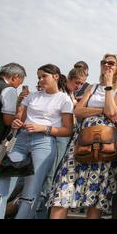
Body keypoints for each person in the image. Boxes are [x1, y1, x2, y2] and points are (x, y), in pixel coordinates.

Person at [48, 54, 117, 219]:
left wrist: (108, 86)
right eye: (103, 62)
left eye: (111, 63)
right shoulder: (92, 87)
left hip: (104, 140)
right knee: (64, 183)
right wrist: (101, 111)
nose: (106, 65)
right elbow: (78, 111)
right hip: (82, 137)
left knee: (97, 190)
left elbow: (112, 111)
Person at [0, 64, 73, 219]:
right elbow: (19, 118)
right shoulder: (32, 96)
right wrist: (16, 122)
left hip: (44, 142)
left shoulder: (64, 99)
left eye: (44, 76)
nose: (41, 80)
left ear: (55, 76)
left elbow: (68, 130)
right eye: (39, 77)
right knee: (2, 180)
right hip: (21, 139)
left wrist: (44, 128)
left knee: (32, 188)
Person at [35, 65, 88, 218]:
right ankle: (41, 212)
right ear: (69, 79)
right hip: (58, 137)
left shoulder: (71, 94)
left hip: (67, 138)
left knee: (54, 175)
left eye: (82, 84)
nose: (79, 86)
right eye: (77, 82)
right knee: (50, 174)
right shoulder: (62, 94)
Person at [0, 63, 27, 160]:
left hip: (14, 136)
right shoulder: (9, 89)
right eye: (19, 83)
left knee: (6, 152)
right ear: (15, 77)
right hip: (2, 132)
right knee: (5, 153)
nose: (17, 86)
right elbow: (8, 120)